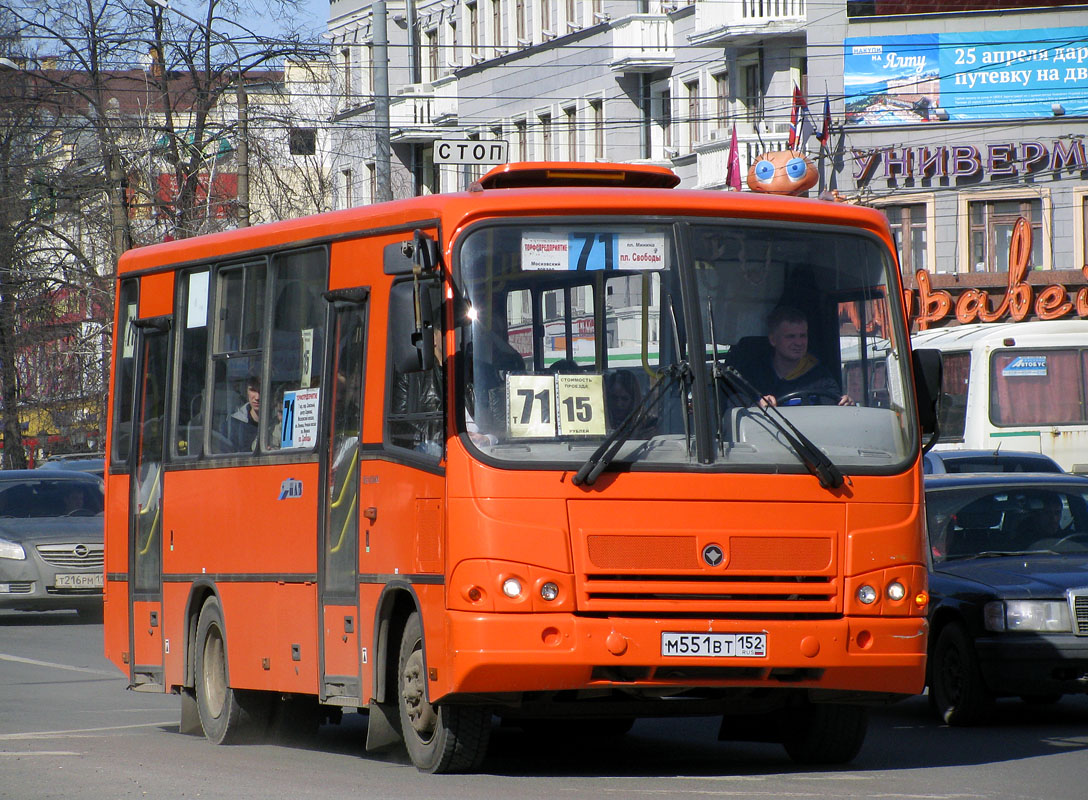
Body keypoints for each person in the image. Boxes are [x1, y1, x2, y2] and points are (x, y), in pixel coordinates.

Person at [749, 306, 852, 407]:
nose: (799, 343)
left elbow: (834, 410)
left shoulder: (821, 377)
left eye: (803, 336)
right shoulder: (755, 375)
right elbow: (738, 406)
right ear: (773, 340)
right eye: (790, 336)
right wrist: (756, 405)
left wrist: (846, 404)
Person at [222, 375, 261, 452]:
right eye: (253, 390)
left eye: (261, 391)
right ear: (246, 391)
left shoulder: (279, 422)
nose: (257, 397)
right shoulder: (232, 426)